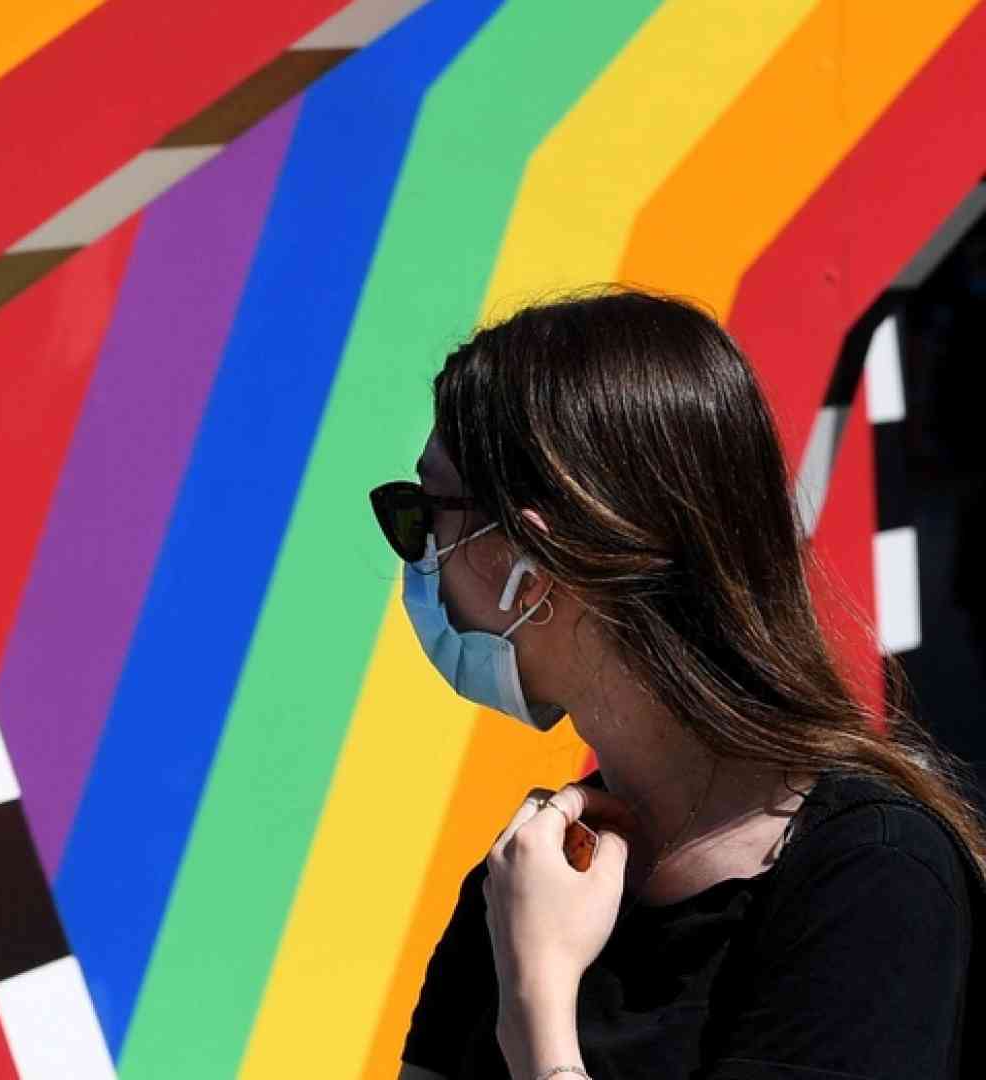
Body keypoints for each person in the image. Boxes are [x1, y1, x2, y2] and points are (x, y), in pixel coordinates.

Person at [370, 287, 984, 1080]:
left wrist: (537, 1004)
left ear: (534, 564)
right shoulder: (529, 874)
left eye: (424, 514)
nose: (416, 554)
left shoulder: (872, 881)